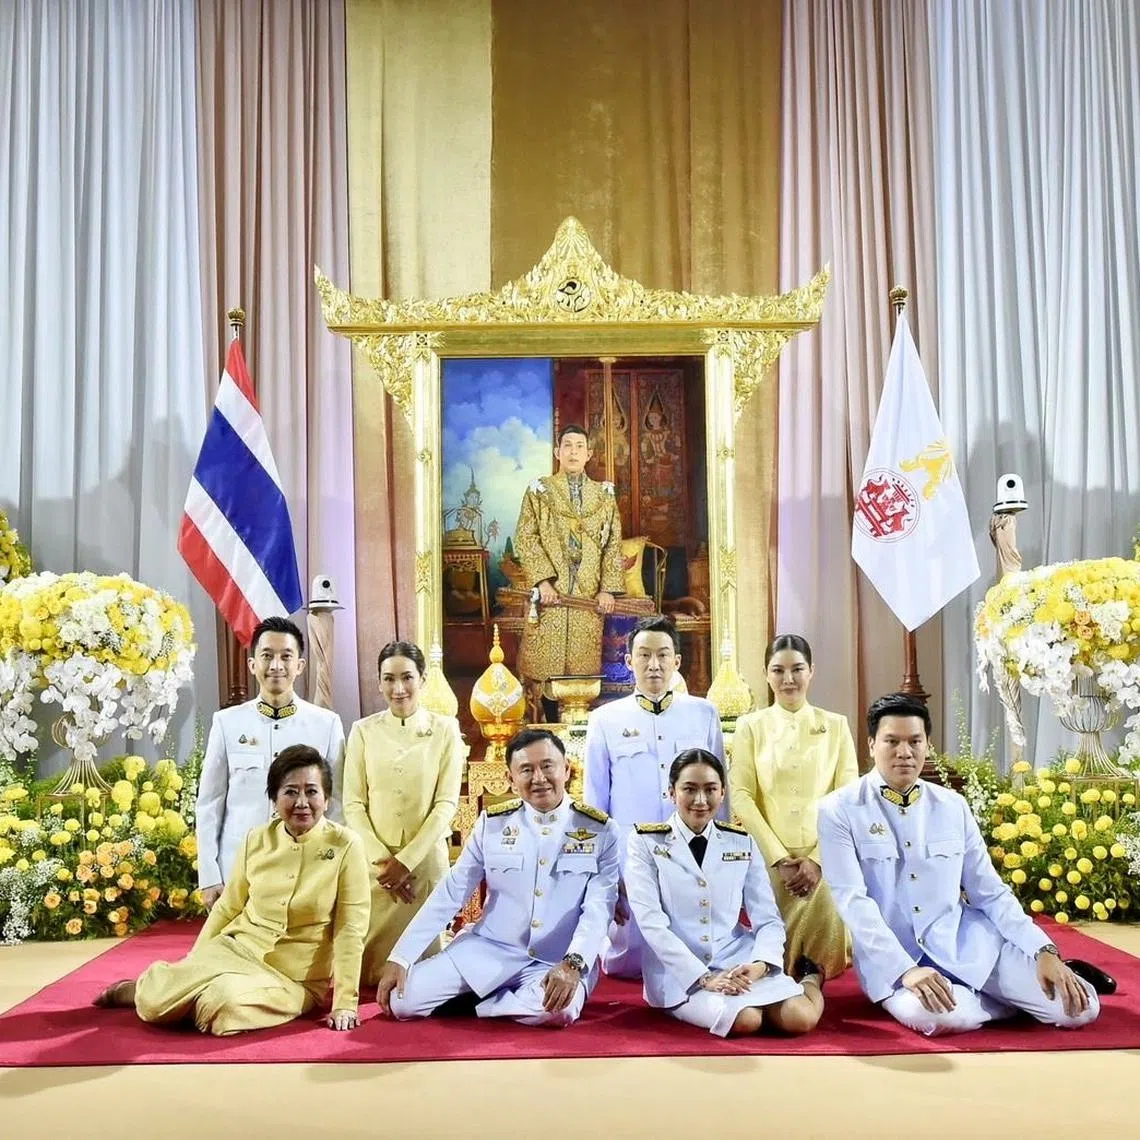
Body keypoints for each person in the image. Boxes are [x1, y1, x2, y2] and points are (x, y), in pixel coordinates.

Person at [817, 692, 1101, 1036]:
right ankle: (1009, 1001)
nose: (904, 752)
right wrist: (905, 970)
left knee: (1081, 1008)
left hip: (966, 944)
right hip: (897, 962)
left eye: (914, 741)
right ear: (872, 743)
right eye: (892, 741)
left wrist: (1041, 949)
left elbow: (990, 892)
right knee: (936, 1018)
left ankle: (999, 992)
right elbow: (852, 901)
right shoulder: (839, 810)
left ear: (927, 745)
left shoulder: (952, 806)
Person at [94, 745, 370, 1035]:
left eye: (311, 792)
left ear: (326, 799)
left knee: (221, 1006)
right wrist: (195, 962)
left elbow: (350, 929)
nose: (302, 802)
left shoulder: (346, 846)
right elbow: (229, 906)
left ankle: (175, 992)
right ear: (274, 798)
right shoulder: (257, 839)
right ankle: (152, 989)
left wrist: (344, 1002)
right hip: (235, 950)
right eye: (290, 791)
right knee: (152, 1005)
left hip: (292, 979)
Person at [376, 729, 620, 1028]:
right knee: (401, 1002)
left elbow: (599, 908)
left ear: (567, 769)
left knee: (558, 1011)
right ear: (510, 779)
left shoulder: (600, 830)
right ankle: (504, 1000)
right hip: (490, 949)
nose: (539, 778)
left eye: (547, 766)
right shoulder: (492, 825)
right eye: (526, 770)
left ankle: (478, 1003)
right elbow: (452, 893)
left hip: (556, 958)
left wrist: (574, 963)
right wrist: (401, 956)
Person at [625, 749, 824, 1037]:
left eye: (710, 789)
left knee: (799, 1018)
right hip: (680, 974)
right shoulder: (644, 842)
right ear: (671, 792)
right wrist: (703, 978)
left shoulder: (741, 842)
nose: (701, 800)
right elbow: (651, 923)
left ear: (723, 792)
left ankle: (811, 979)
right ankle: (756, 998)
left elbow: (767, 918)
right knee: (746, 1020)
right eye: (689, 789)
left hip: (737, 959)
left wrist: (760, 965)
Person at [584, 614, 724, 976]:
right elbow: (595, 803)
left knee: (695, 954)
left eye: (663, 655)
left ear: (677, 661)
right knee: (630, 963)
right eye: (644, 655)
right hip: (633, 857)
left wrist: (721, 859)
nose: (654, 664)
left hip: (691, 852)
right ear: (628, 661)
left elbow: (718, 794)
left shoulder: (703, 714)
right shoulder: (605, 719)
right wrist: (607, 874)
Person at [729, 634, 857, 979]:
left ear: (811, 671)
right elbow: (741, 795)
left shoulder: (836, 726)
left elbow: (847, 798)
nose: (788, 679)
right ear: (767, 674)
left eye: (797, 669)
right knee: (773, 957)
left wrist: (816, 860)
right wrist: (779, 858)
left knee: (826, 962)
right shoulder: (750, 727)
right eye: (778, 670)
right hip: (772, 862)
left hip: (825, 858)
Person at [196, 616, 346, 909]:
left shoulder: (326, 724)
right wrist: (210, 876)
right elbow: (209, 804)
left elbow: (338, 804)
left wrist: (333, 867)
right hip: (238, 870)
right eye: (267, 656)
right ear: (253, 665)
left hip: (306, 870)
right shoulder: (227, 723)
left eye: (286, 656)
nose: (276, 665)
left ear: (300, 666)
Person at [343, 640, 466, 984]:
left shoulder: (445, 730)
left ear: (423, 679)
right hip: (374, 868)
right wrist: (384, 862)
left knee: (423, 974)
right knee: (368, 976)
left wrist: (407, 861)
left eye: (407, 677)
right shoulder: (362, 731)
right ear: (379, 682)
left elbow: (445, 803)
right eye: (389, 679)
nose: (399, 688)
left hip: (423, 865)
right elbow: (353, 803)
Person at [513, 423, 625, 718]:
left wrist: (606, 589)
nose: (573, 451)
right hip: (551, 595)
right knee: (543, 665)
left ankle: (578, 733)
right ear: (557, 452)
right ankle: (544, 726)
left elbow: (612, 544)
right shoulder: (540, 491)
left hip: (587, 598)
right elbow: (527, 538)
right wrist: (543, 581)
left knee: (581, 667)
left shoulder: (604, 496)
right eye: (567, 445)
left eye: (579, 446)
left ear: (589, 454)